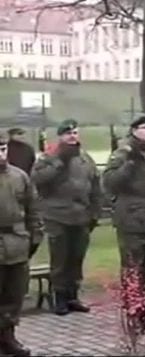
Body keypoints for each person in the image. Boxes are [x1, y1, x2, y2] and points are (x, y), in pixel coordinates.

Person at [103, 114, 145, 331]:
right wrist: (129, 165)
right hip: (133, 219)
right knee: (133, 270)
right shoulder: (122, 154)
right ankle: (134, 314)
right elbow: (109, 183)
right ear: (134, 130)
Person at [31, 119, 101, 316]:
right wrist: (60, 161)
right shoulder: (49, 158)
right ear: (60, 136)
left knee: (76, 258)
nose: (72, 136)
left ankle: (73, 296)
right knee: (60, 259)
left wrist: (94, 213)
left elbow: (96, 187)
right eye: (68, 133)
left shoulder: (85, 159)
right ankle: (59, 298)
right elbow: (38, 180)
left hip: (81, 216)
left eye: (75, 132)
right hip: (57, 217)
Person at [0, 133, 44, 356]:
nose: (1, 154)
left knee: (14, 296)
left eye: (3, 149)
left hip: (17, 243)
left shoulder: (19, 177)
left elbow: (33, 210)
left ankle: (8, 338)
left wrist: (34, 237)